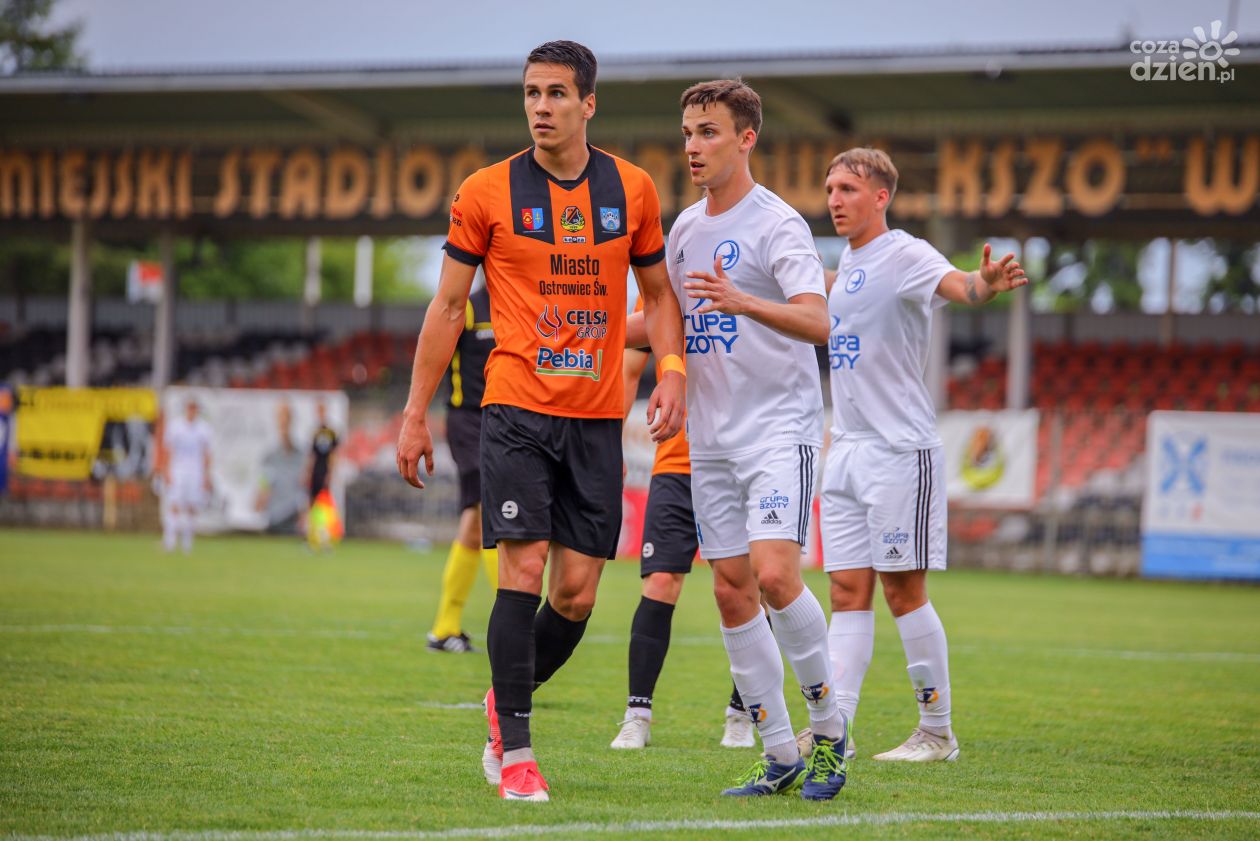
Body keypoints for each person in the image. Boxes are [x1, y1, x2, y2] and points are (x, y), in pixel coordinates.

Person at [395, 40, 685, 802]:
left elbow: (659, 296)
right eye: (531, 93)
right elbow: (448, 307)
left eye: (557, 93)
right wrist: (414, 413)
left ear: (589, 103)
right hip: (515, 409)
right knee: (521, 572)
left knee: (577, 595)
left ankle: (503, 696)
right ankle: (518, 754)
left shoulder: (633, 189)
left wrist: (673, 370)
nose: (541, 107)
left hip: (596, 420)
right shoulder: (486, 192)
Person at [812, 147, 1027, 763]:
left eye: (849, 189)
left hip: (898, 450)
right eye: (830, 189)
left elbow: (961, 286)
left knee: (903, 591)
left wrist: (984, 283)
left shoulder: (903, 252)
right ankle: (836, 731)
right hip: (847, 447)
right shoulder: (847, 267)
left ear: (881, 197)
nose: (835, 200)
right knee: (846, 592)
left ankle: (937, 731)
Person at [668, 78, 846, 801]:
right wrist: (590, 332)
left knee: (774, 575)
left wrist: (743, 299)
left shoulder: (778, 224)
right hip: (710, 437)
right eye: (688, 132)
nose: (693, 146)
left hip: (778, 431)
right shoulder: (684, 230)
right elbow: (669, 322)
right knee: (730, 590)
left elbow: (819, 320)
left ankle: (830, 732)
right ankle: (777, 754)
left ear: (746, 139)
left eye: (708, 132)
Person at [612, 303, 754, 751]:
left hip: (740, 462)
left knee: (744, 590)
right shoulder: (659, 291)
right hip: (676, 463)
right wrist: (610, 444)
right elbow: (626, 367)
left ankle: (743, 713)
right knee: (660, 582)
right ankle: (637, 715)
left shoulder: (750, 280)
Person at [426, 284, 500, 653]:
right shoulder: (469, 308)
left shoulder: (520, 302)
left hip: (505, 421)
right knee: (487, 512)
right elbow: (434, 353)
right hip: (468, 422)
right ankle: (518, 619)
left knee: (474, 523)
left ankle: (444, 629)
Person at [159, 399, 213, 553]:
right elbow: (168, 450)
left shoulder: (204, 428)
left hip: (196, 471)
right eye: (190, 408)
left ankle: (187, 543)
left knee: (191, 506)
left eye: (194, 409)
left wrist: (206, 475)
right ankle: (169, 541)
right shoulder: (175, 426)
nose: (192, 412)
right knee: (174, 504)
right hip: (178, 470)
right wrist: (166, 470)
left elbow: (207, 453)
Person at [256, 401, 305, 534]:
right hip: (274, 516)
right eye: (281, 417)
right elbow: (264, 482)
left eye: (286, 417)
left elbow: (303, 486)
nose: (284, 422)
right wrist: (260, 496)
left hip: (293, 518)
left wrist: (304, 512)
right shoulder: (270, 455)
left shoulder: (300, 454)